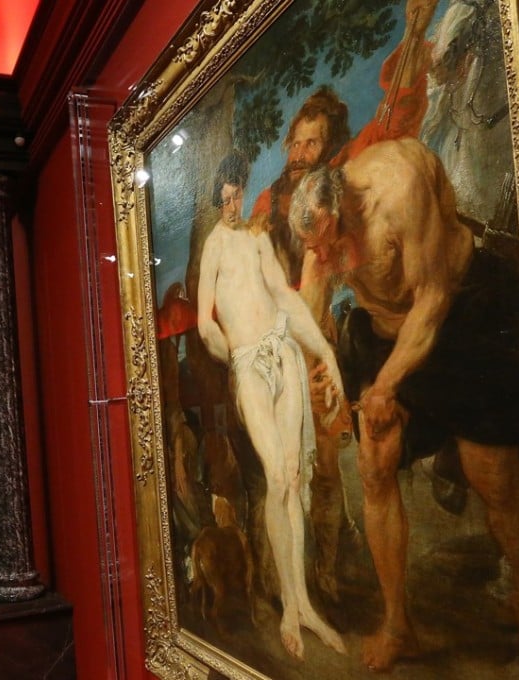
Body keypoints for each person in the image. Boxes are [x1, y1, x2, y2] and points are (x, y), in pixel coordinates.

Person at [289, 138, 519, 674]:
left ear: (350, 210)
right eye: (315, 250)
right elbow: (311, 302)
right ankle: (398, 625)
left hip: (460, 312)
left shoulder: (400, 185)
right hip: (383, 331)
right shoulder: (320, 234)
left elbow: (431, 300)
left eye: (329, 244)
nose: (323, 259)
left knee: (492, 472)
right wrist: (314, 367)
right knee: (374, 463)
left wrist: (384, 386)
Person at [243, 0, 439, 602]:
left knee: (326, 465)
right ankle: (282, 573)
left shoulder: (349, 177)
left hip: (322, 336)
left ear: (331, 146)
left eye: (314, 142)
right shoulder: (264, 209)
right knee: (279, 467)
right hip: (277, 343)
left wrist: (412, 32)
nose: (301, 152)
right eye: (296, 142)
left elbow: (396, 116)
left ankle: (326, 573)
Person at [196, 151, 347, 659]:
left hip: (282, 352)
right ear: (217, 196)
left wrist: (323, 350)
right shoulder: (215, 247)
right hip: (249, 366)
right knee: (277, 480)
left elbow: (284, 296)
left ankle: (302, 604)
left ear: (242, 189)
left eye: (237, 193)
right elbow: (203, 324)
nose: (233, 203)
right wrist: (236, 357)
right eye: (225, 197)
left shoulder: (257, 237)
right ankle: (288, 608)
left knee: (292, 477)